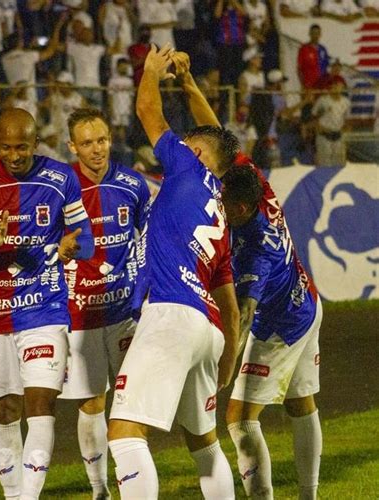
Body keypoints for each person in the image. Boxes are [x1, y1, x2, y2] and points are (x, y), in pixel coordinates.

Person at [107, 44, 240, 498]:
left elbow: (147, 109)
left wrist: (151, 70)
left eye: (191, 143)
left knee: (124, 432)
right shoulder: (219, 210)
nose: (181, 144)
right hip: (207, 327)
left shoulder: (186, 165)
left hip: (171, 315)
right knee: (203, 442)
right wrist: (228, 352)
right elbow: (228, 298)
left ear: (199, 155)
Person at [0, 108, 94, 500]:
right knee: (6, 411)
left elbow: (87, 241)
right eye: (5, 147)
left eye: (21, 147)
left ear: (36, 142)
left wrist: (72, 246)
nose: (14, 155)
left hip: (45, 310)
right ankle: (14, 495)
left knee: (41, 402)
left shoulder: (61, 178)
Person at [58, 107, 151, 499]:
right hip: (80, 315)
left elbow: (146, 238)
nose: (96, 150)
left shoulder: (134, 184)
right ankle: (99, 489)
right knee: (92, 402)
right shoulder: (61, 188)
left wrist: (144, 290)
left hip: (124, 313)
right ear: (72, 146)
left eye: (101, 140)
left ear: (111, 139)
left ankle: (132, 481)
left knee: (131, 402)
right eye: (87, 143)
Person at [222, 164, 323, 500]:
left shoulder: (255, 252)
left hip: (281, 326)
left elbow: (246, 313)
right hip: (306, 299)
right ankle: (309, 496)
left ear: (239, 209)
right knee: (300, 403)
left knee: (239, 419)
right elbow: (226, 147)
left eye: (222, 202)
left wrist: (227, 363)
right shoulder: (261, 192)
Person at [297, 24, 329, 90]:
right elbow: (299, 68)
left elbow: (326, 68)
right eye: (313, 33)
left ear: (320, 34)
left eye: (317, 33)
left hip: (321, 86)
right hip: (308, 86)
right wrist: (303, 85)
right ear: (309, 34)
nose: (315, 35)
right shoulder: (304, 49)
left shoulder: (323, 49)